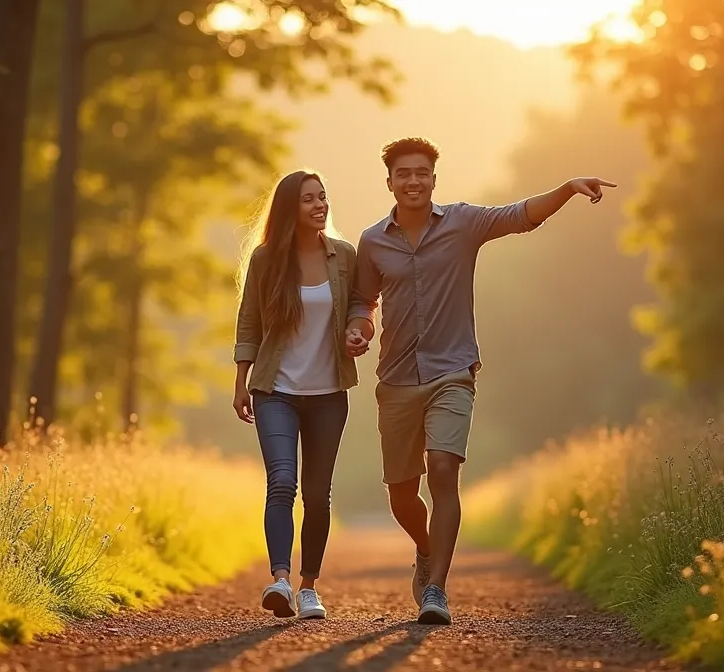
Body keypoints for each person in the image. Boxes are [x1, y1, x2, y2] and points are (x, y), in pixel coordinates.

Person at [344, 137, 615, 625]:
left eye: (421, 172)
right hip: (397, 378)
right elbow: (364, 300)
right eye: (404, 174)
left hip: (453, 371)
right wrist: (359, 328)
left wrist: (567, 188)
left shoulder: (463, 223)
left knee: (443, 467)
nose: (413, 181)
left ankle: (436, 589)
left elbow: (520, 215)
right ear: (389, 182)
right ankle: (426, 547)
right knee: (402, 494)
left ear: (434, 179)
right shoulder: (373, 241)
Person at [232, 169, 367, 620]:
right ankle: (280, 580)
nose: (319, 205)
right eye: (309, 199)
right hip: (276, 391)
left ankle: (309, 587)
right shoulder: (266, 259)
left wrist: (357, 331)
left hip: (329, 394)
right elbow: (249, 321)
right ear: (291, 207)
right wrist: (241, 382)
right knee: (282, 482)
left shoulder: (344, 256)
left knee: (317, 494)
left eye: (322, 197)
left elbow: (359, 307)